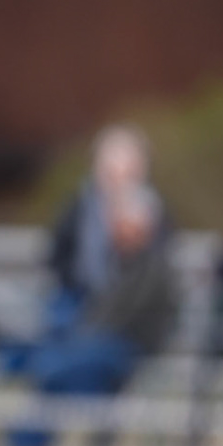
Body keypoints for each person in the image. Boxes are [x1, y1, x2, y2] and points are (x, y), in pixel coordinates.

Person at [9, 185, 178, 446]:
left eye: (122, 224)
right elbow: (99, 314)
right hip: (101, 346)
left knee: (51, 371)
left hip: (126, 351)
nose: (115, 230)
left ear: (140, 226)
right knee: (48, 368)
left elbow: (118, 320)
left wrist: (82, 333)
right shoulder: (121, 264)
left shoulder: (152, 268)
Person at [45, 123, 165, 323]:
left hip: (130, 309)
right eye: (112, 169)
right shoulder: (79, 207)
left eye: (126, 169)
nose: (119, 178)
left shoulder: (153, 211)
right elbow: (58, 255)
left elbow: (156, 270)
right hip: (79, 298)